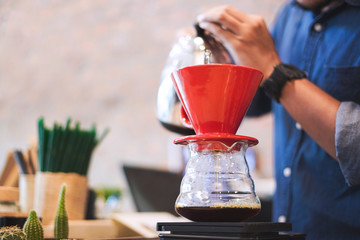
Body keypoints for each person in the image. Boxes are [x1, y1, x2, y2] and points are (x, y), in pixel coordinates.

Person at [197, 0, 360, 239]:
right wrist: (230, 52)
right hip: (289, 225)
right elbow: (256, 102)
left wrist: (273, 69)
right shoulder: (289, 15)